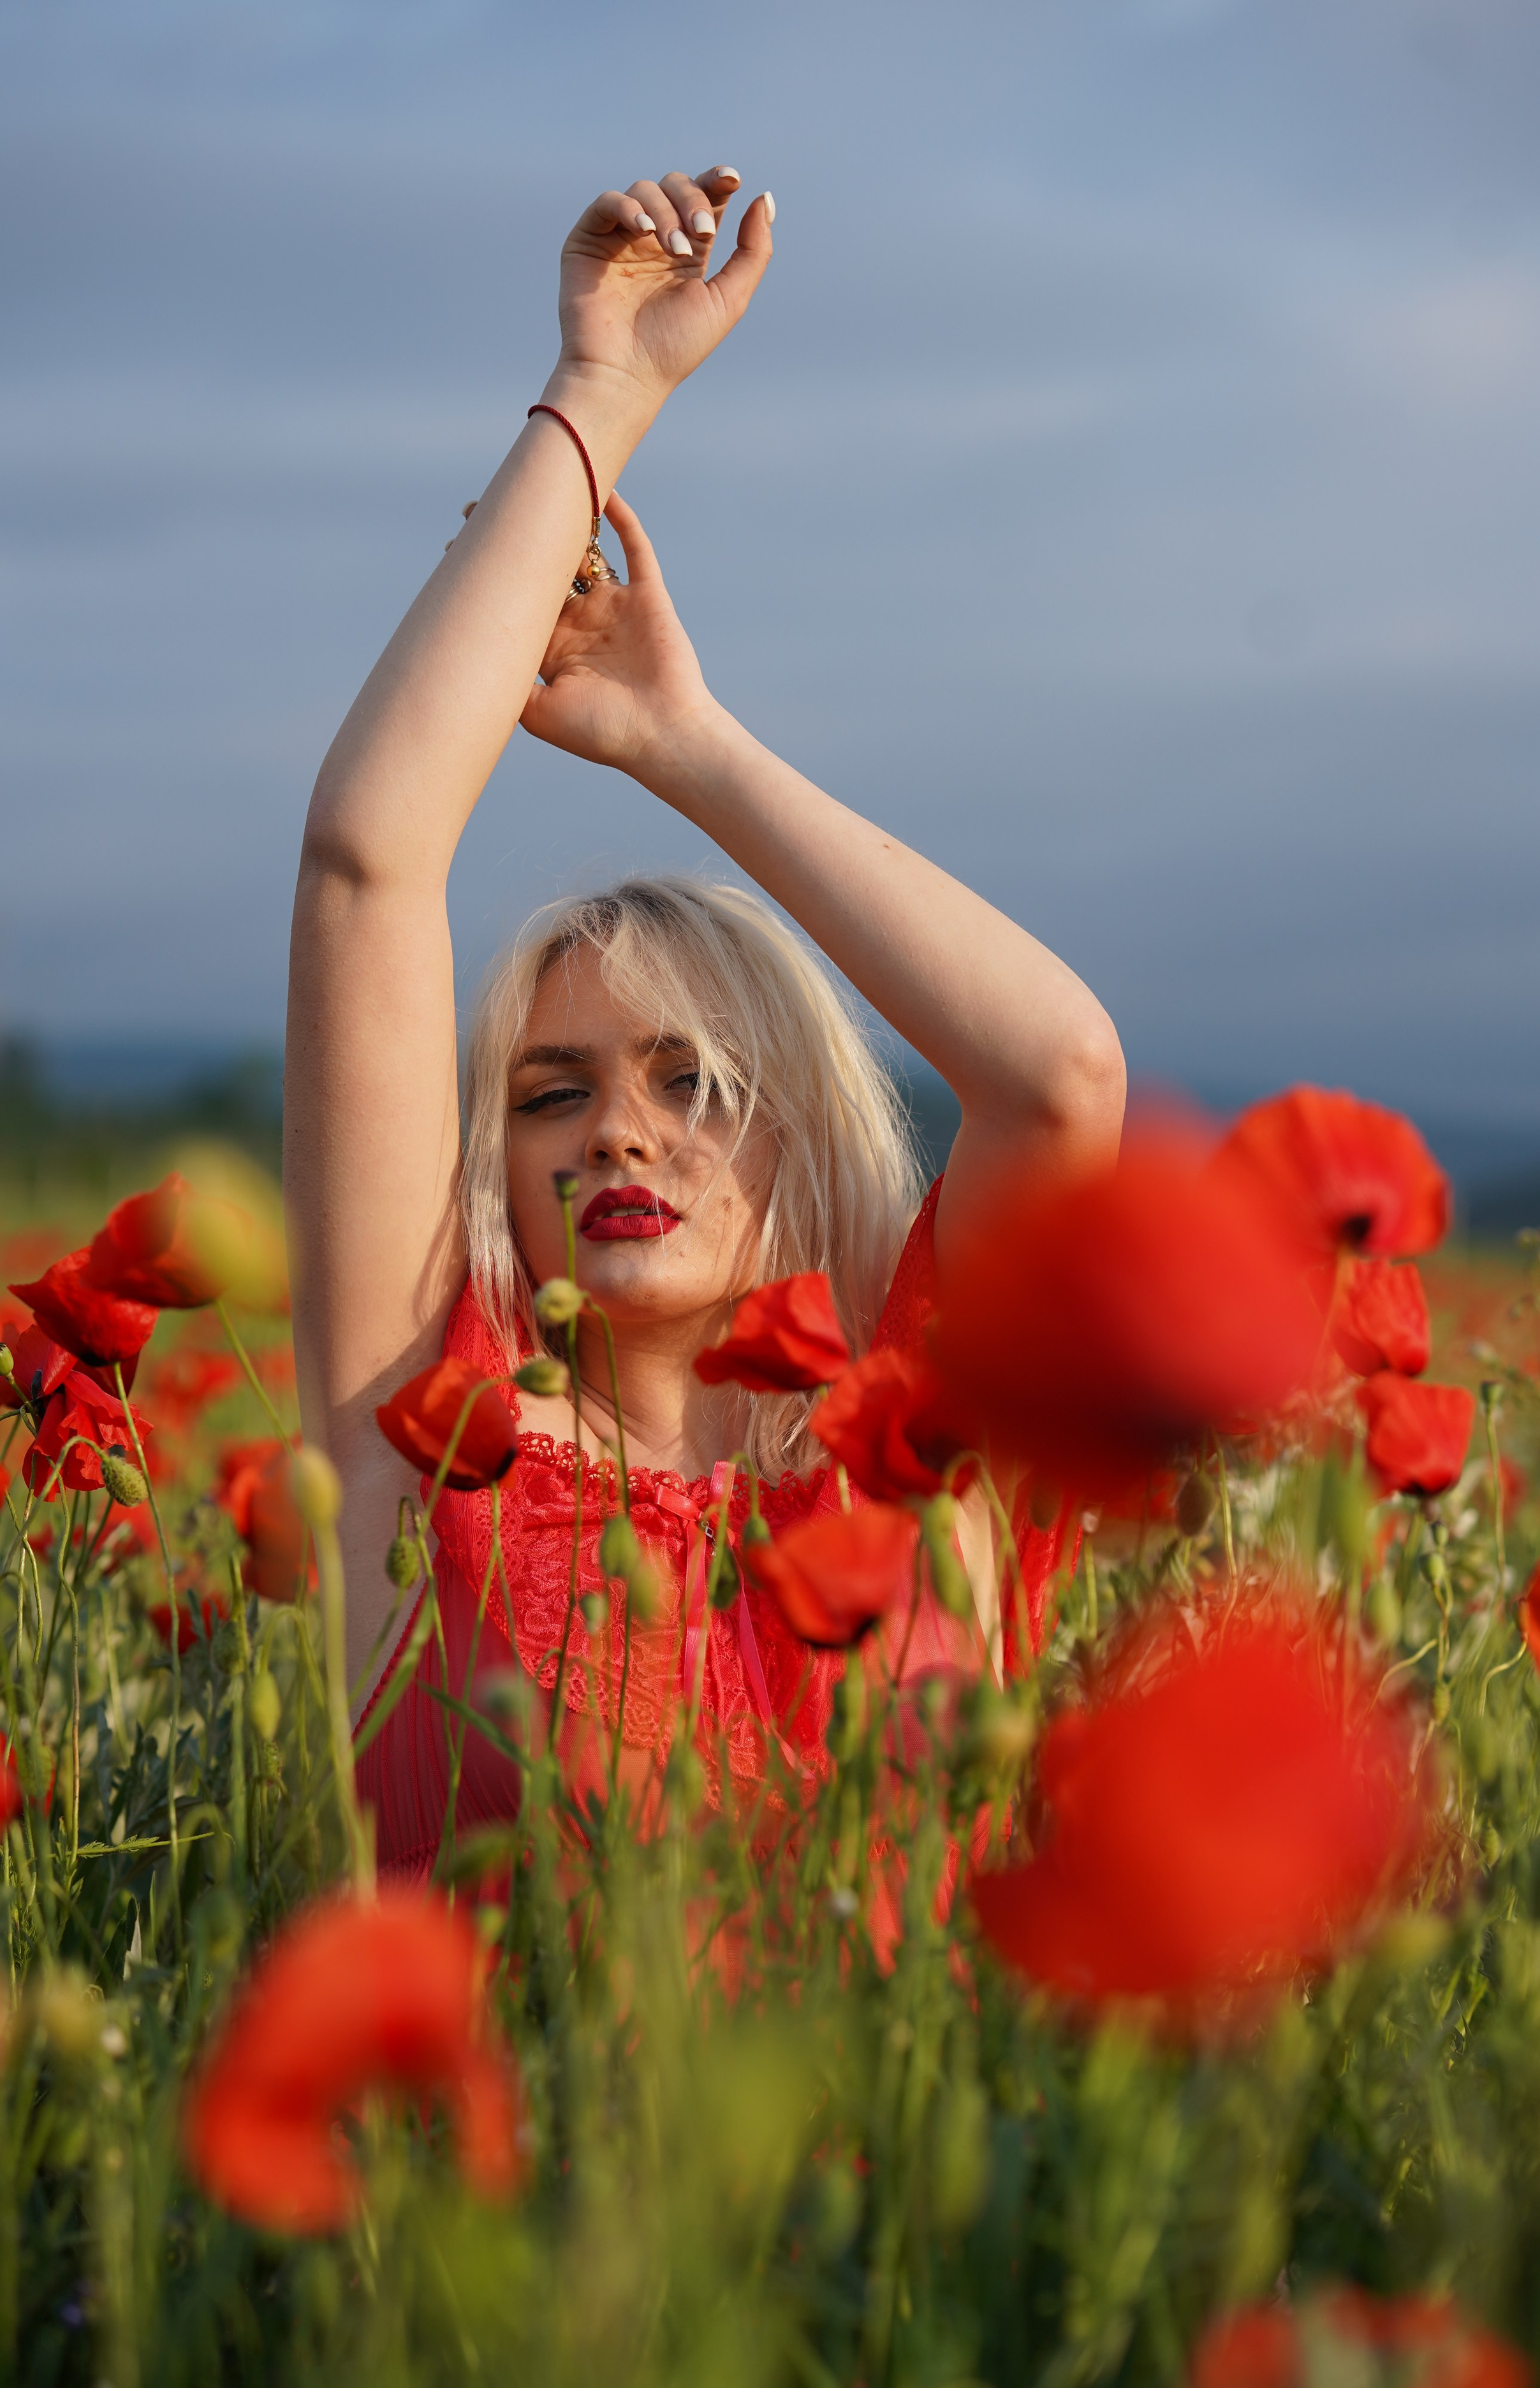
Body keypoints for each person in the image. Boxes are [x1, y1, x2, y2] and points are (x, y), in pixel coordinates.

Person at [284, 165, 1125, 1875]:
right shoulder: (420, 1444)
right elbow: (368, 866)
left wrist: (690, 745)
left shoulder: (928, 1463)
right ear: (491, 1173)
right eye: (548, 1093)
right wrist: (602, 392)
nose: (620, 1130)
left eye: (696, 1082)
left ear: (801, 1131)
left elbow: (1059, 1075)